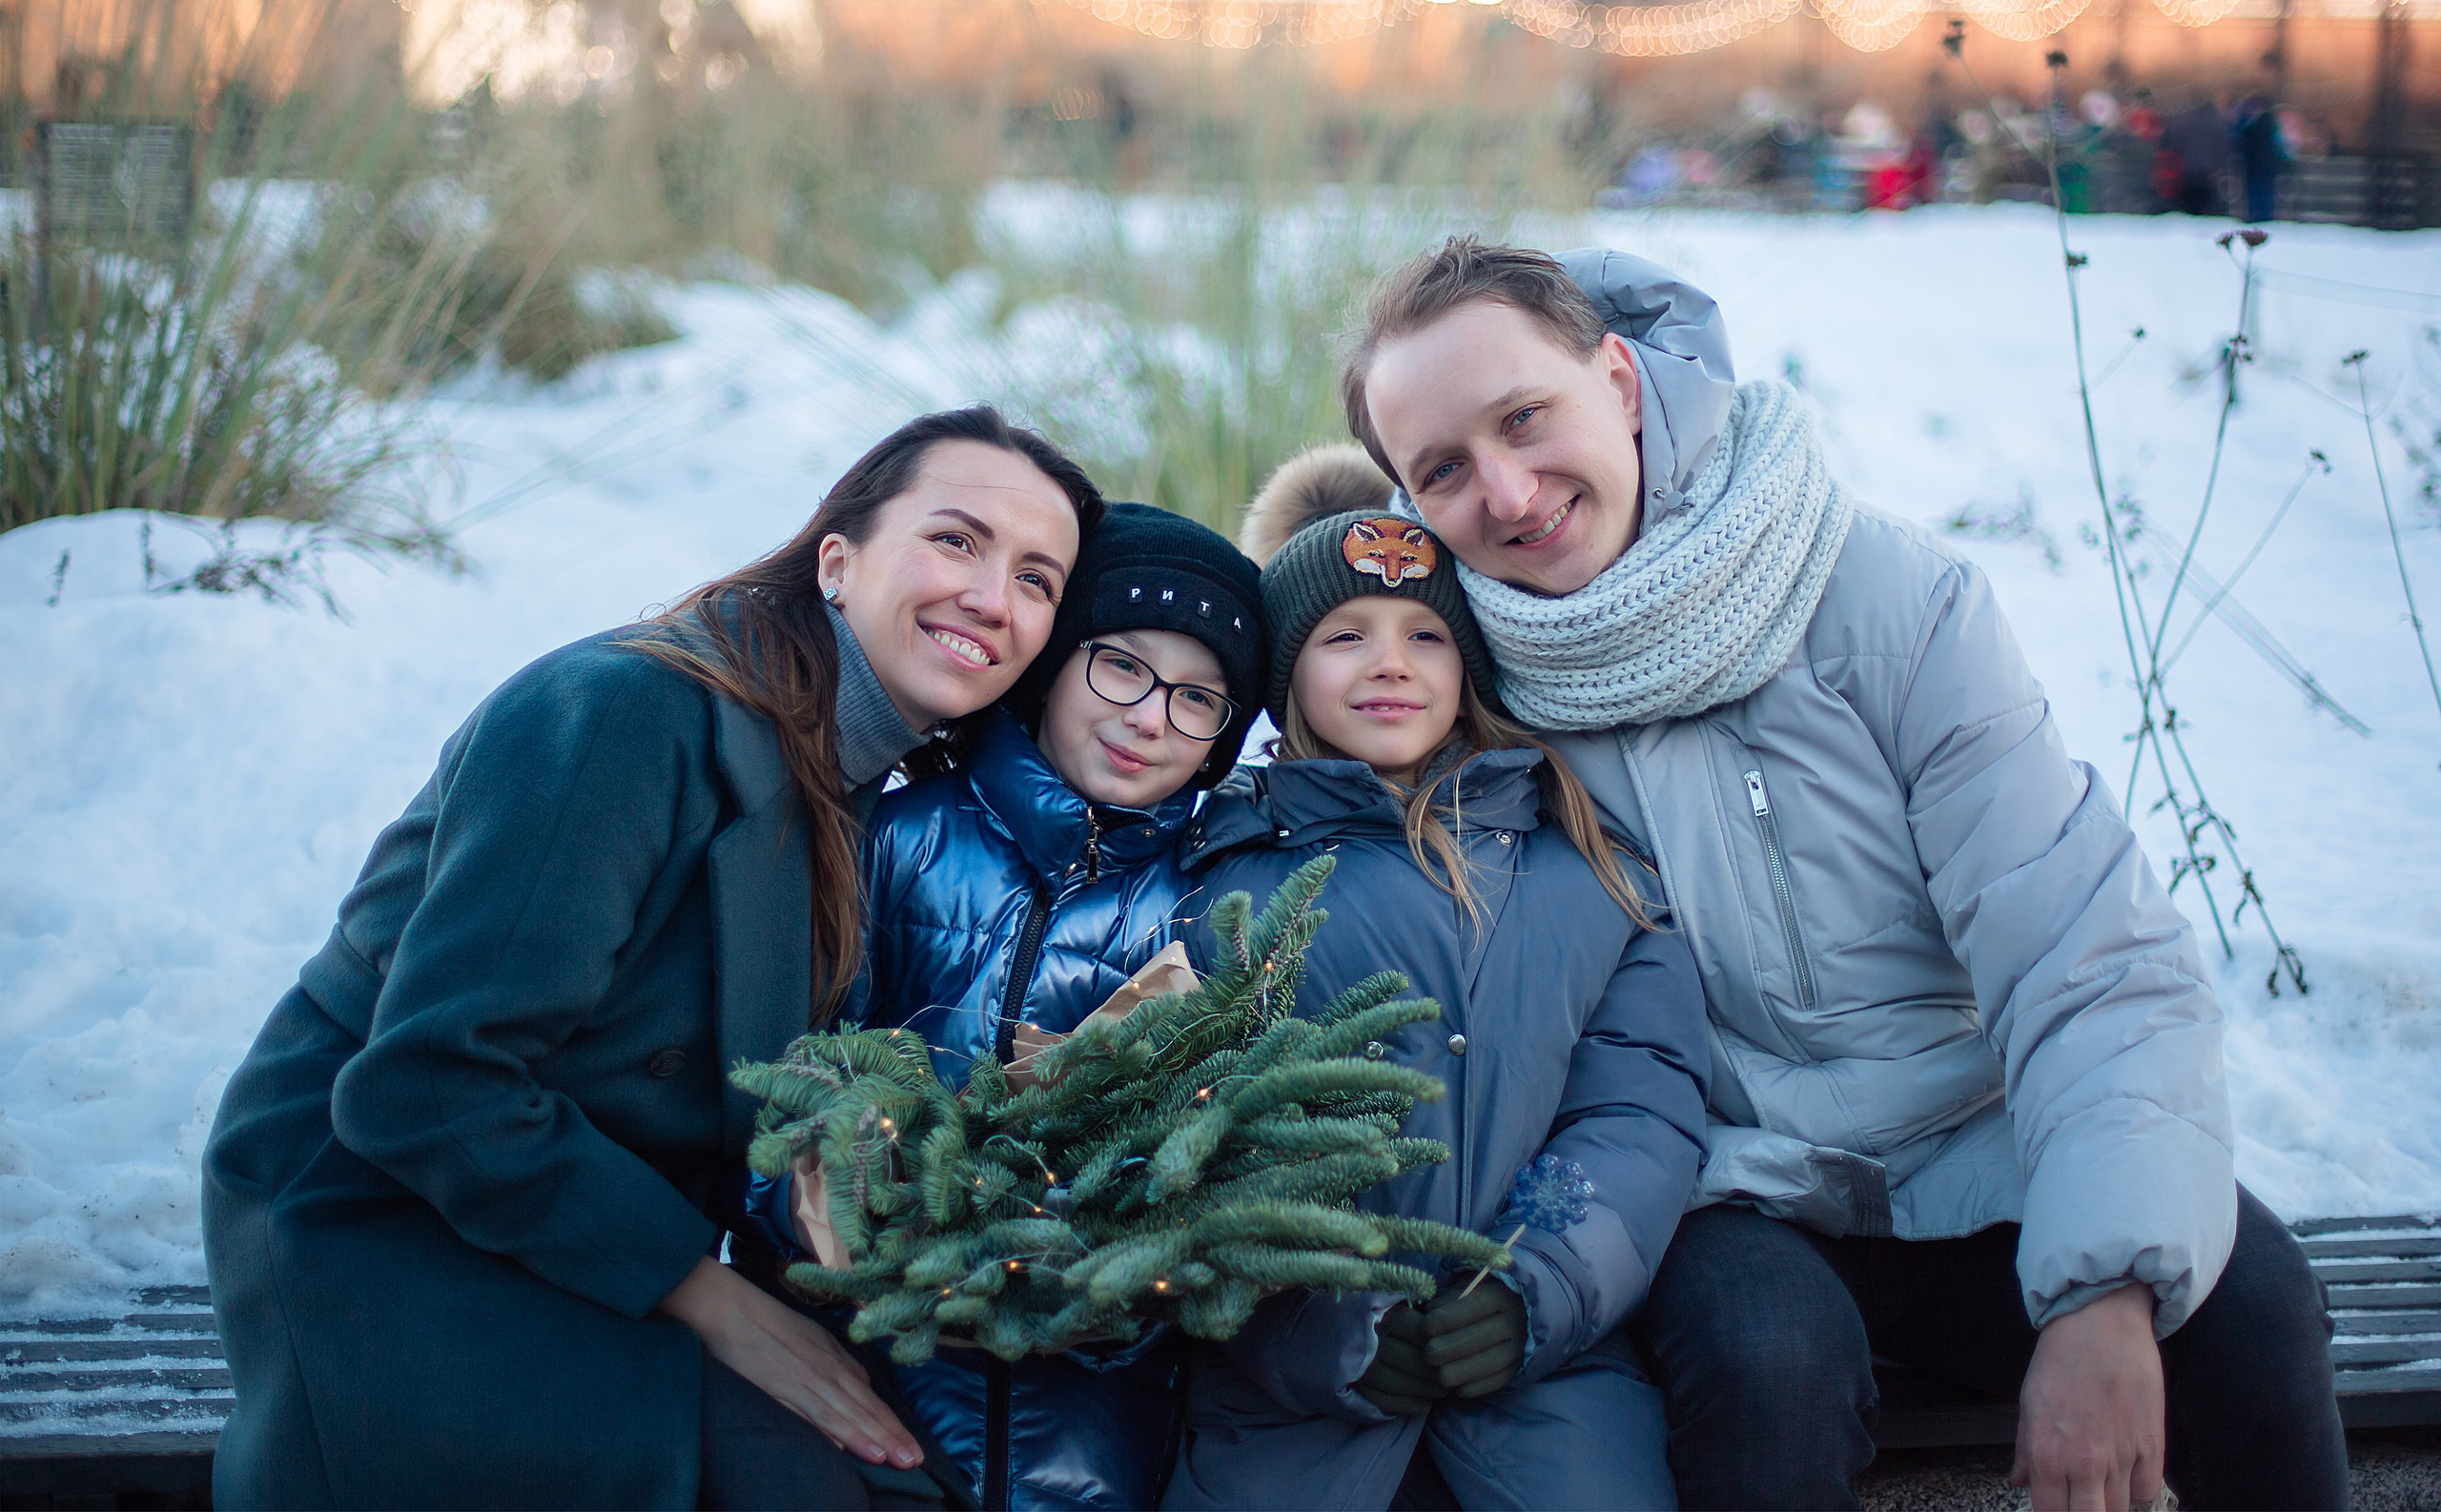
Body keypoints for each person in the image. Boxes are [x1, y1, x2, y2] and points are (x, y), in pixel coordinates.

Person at [1336, 238, 2348, 1512]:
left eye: (1526, 415)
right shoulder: (1464, 683)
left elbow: (2084, 951)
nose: (1509, 488)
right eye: (1443, 468)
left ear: (1622, 380)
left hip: (1983, 1145)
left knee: (2251, 1298)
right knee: (1769, 1362)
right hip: (1728, 1185)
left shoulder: (1879, 592)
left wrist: (2106, 1286)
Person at [200, 408, 1103, 1511]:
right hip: (386, 1220)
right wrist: (713, 1301)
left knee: (917, 1467)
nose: (991, 596)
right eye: (956, 540)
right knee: (817, 1490)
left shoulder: (871, 790)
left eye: (1037, 578)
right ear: (836, 559)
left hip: (576, 1224)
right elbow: (430, 1086)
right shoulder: (626, 715)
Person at [1158, 450, 1709, 1512]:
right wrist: (1313, 1326)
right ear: (1285, 676)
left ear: (1470, 667)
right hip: (1290, 1416)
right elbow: (1195, 1154)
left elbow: (1638, 1111)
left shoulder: (1590, 875)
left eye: (1425, 635)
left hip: (1551, 1390)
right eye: (1342, 636)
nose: (1389, 663)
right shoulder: (1219, 884)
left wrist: (1535, 1287)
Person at [743, 502, 1268, 1511]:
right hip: (868, 1371)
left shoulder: (1207, 898)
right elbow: (786, 1074)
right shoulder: (895, 839)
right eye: (1121, 666)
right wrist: (849, 1217)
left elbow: (1210, 1144)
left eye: (1199, 699)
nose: (1151, 716)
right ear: (1052, 666)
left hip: (1097, 1417)